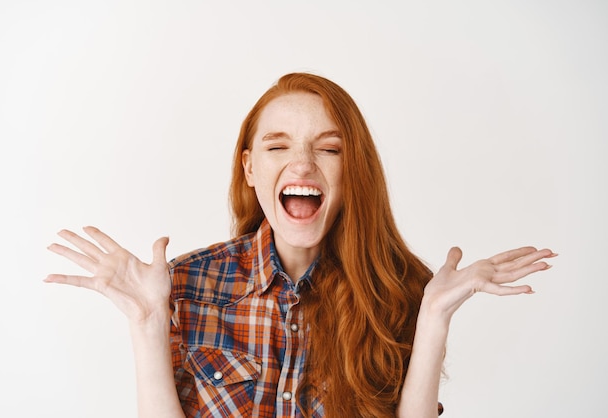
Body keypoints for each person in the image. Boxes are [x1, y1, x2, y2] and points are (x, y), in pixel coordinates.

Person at [45, 72, 556, 418]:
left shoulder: (398, 292)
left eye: (329, 148)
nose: (303, 164)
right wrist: (148, 322)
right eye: (278, 146)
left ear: (351, 170)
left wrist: (435, 317)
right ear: (250, 168)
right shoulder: (183, 284)